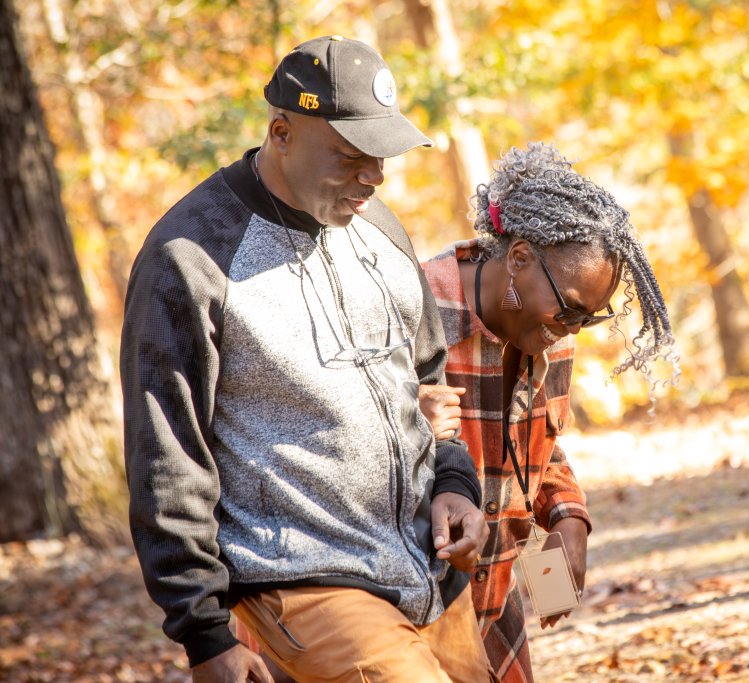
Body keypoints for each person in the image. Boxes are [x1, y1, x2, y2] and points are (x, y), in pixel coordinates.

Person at [120, 35, 492, 683]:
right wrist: (203, 631)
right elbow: (165, 451)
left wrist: (454, 484)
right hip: (304, 581)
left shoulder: (381, 228)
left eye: (382, 156)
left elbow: (427, 383)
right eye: (351, 156)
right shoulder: (189, 256)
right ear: (282, 132)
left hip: (429, 574)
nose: (373, 177)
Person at [419, 142, 677, 682]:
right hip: (411, 619)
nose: (573, 329)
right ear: (518, 258)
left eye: (589, 318)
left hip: (494, 609)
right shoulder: (411, 309)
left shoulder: (550, 330)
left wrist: (567, 515)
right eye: (570, 311)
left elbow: (535, 444)